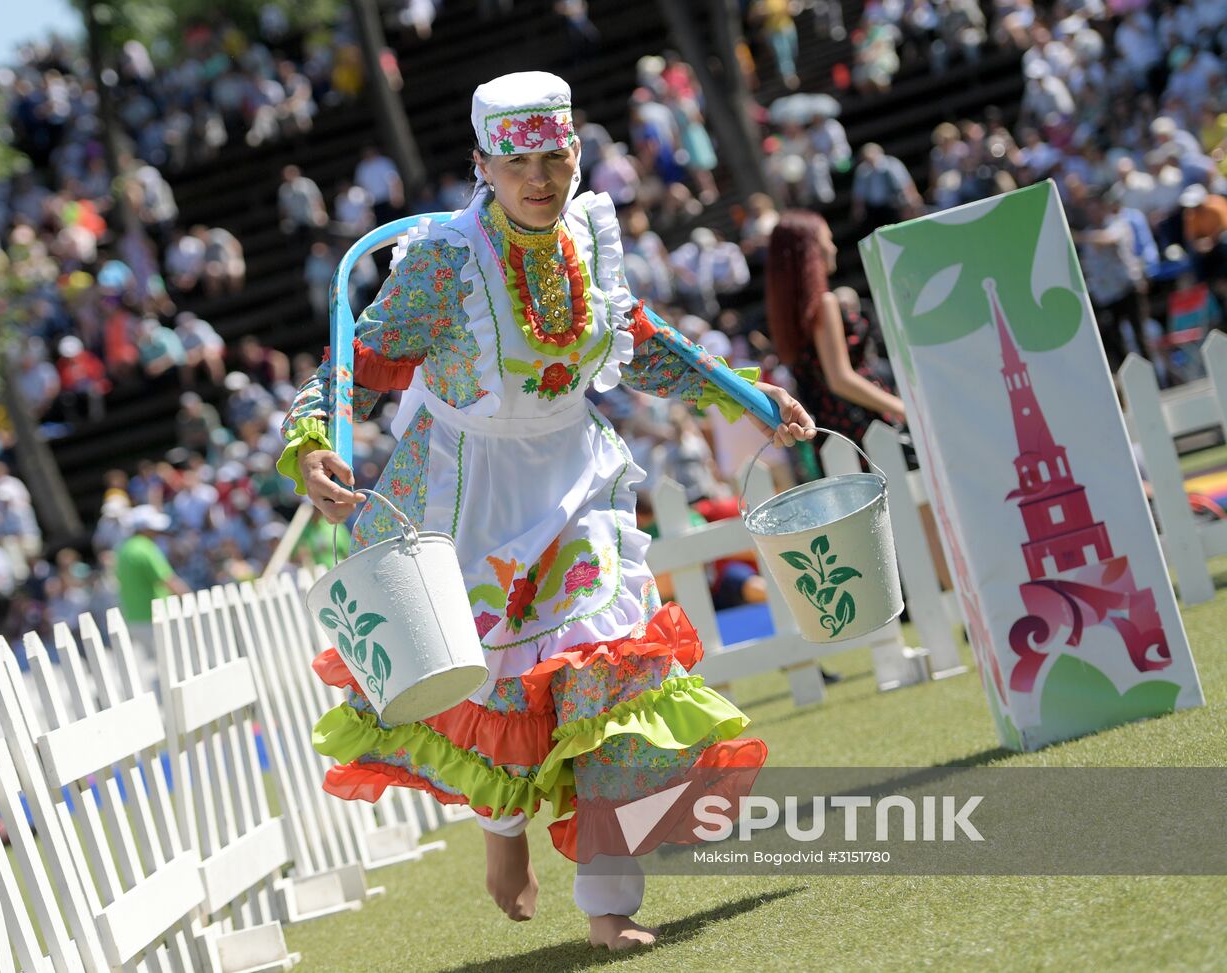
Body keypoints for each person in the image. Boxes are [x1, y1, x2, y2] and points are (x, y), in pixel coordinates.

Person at [280, 72, 816, 952]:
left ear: (576, 153)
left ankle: (609, 901)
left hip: (577, 485)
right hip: (464, 493)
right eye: (518, 159)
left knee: (607, 678)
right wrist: (312, 442)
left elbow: (639, 341)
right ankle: (502, 835)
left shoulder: (593, 236)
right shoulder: (443, 260)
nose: (540, 177)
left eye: (555, 155)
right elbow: (357, 369)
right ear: (483, 164)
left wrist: (748, 395)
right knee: (488, 685)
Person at [766, 210, 905, 444]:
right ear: (811, 251)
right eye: (826, 240)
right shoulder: (824, 303)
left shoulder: (788, 314)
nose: (833, 248)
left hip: (829, 431)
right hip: (861, 422)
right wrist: (901, 408)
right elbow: (840, 378)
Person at [115, 504, 192, 689]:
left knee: (162, 665)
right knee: (173, 666)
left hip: (135, 617)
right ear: (144, 528)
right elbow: (169, 580)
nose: (158, 532)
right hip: (155, 616)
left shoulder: (123, 550)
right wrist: (191, 600)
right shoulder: (145, 549)